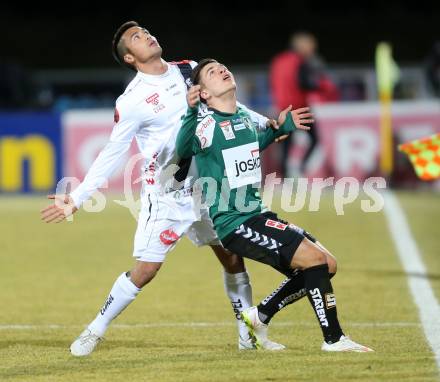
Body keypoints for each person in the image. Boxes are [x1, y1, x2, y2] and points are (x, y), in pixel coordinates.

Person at [40, 21, 286, 355]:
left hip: (209, 185)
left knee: (232, 257)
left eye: (145, 31)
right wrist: (79, 197)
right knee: (146, 270)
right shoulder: (132, 100)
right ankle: (94, 330)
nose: (147, 36)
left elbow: (229, 105)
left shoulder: (189, 70)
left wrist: (264, 123)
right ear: (130, 58)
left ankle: (248, 336)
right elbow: (113, 151)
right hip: (169, 193)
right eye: (137, 38)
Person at [175, 58, 373, 352]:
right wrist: (191, 113)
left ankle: (260, 314)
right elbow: (183, 149)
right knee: (314, 262)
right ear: (203, 93)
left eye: (222, 66)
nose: (222, 70)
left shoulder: (242, 118)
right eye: (212, 72)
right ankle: (333, 339)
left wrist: (282, 129)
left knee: (325, 265)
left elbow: (251, 147)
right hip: (235, 222)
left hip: (257, 214)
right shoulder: (205, 125)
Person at [270, 32, 339, 177]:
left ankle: (285, 178)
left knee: (285, 146)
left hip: (282, 108)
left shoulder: (278, 60)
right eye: (311, 46)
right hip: (298, 108)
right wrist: (323, 85)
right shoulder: (299, 61)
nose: (312, 50)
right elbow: (304, 83)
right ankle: (299, 170)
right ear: (301, 46)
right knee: (315, 139)